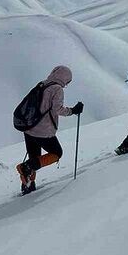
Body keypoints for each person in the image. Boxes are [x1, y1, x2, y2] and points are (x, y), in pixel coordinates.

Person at [16, 65, 83, 195]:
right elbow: (58, 109)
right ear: (65, 78)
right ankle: (25, 168)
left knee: (34, 157)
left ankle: (28, 185)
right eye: (68, 81)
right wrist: (73, 111)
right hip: (43, 130)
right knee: (57, 153)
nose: (67, 84)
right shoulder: (57, 89)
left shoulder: (42, 84)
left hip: (29, 127)